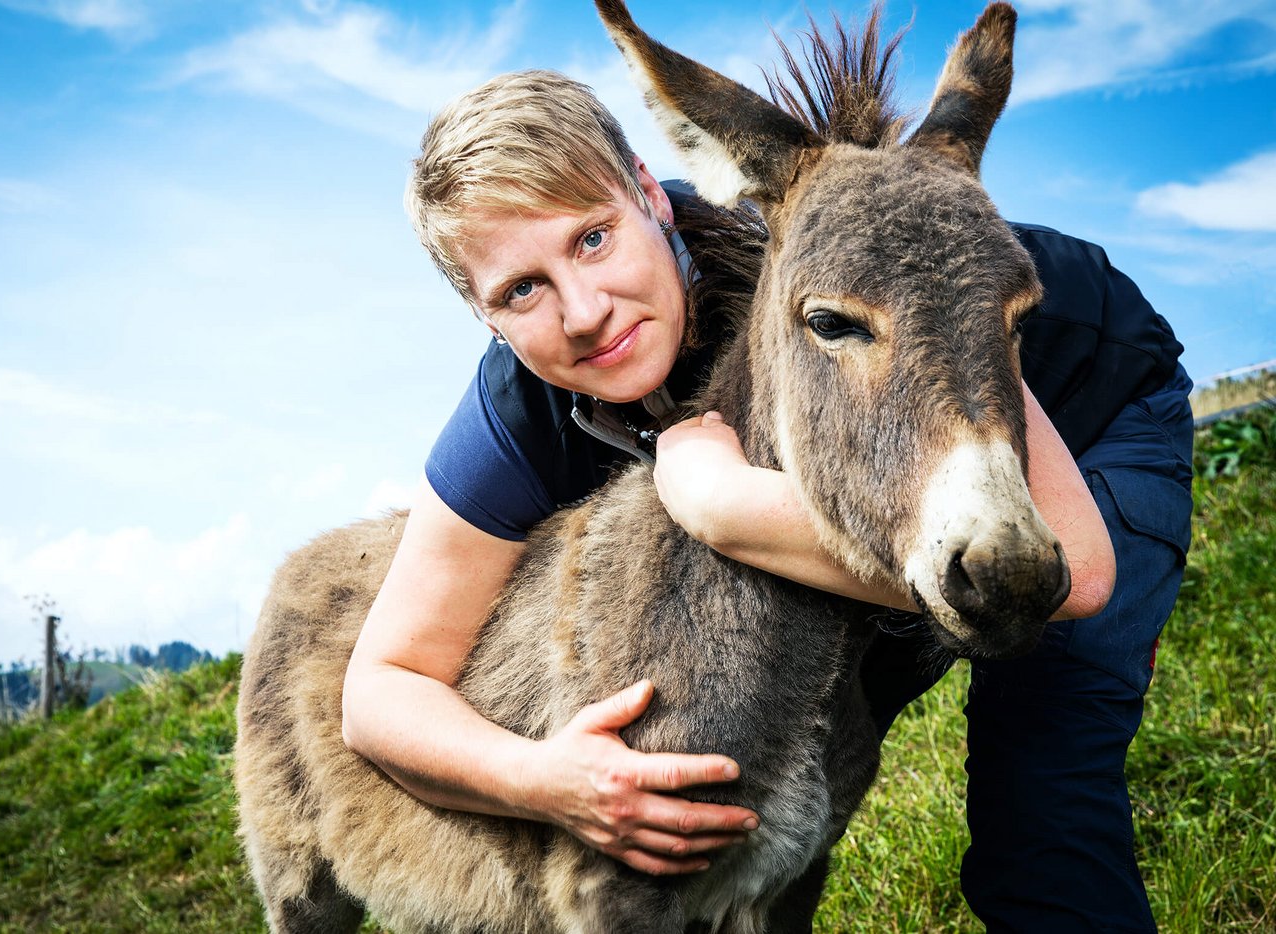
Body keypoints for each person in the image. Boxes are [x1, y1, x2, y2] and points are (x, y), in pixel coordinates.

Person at [340, 69, 1191, 931]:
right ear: (484, 319)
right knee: (794, 725)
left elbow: (1073, 574)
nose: (585, 311)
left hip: (1091, 429)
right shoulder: (517, 410)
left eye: (594, 239)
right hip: (906, 507)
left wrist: (721, 504)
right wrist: (553, 782)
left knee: (1041, 808)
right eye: (521, 290)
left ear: (651, 194)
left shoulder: (831, 242)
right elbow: (380, 692)